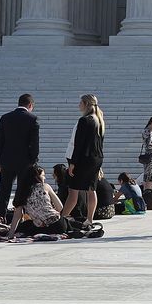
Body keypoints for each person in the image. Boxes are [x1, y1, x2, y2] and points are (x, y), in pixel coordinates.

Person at [61, 94, 106, 229]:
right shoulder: (99, 120)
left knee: (73, 191)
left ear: (86, 104)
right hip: (96, 158)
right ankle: (89, 219)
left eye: (80, 102)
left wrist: (73, 163)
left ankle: (62, 217)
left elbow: (79, 144)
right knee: (91, 190)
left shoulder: (84, 120)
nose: (78, 105)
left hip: (83, 160)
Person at [0, 94, 39, 216]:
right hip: (25, 161)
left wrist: (0, 158)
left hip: (7, 159)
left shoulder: (5, 118)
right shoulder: (33, 119)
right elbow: (34, 144)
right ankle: (21, 216)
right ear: (30, 105)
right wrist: (33, 160)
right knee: (22, 190)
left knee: (4, 190)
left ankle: (0, 217)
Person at [2, 165, 71, 239]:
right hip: (59, 225)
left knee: (25, 226)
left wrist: (11, 234)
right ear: (37, 177)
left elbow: (17, 215)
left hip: (41, 226)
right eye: (43, 175)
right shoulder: (46, 186)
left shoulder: (21, 192)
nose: (45, 178)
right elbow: (60, 207)